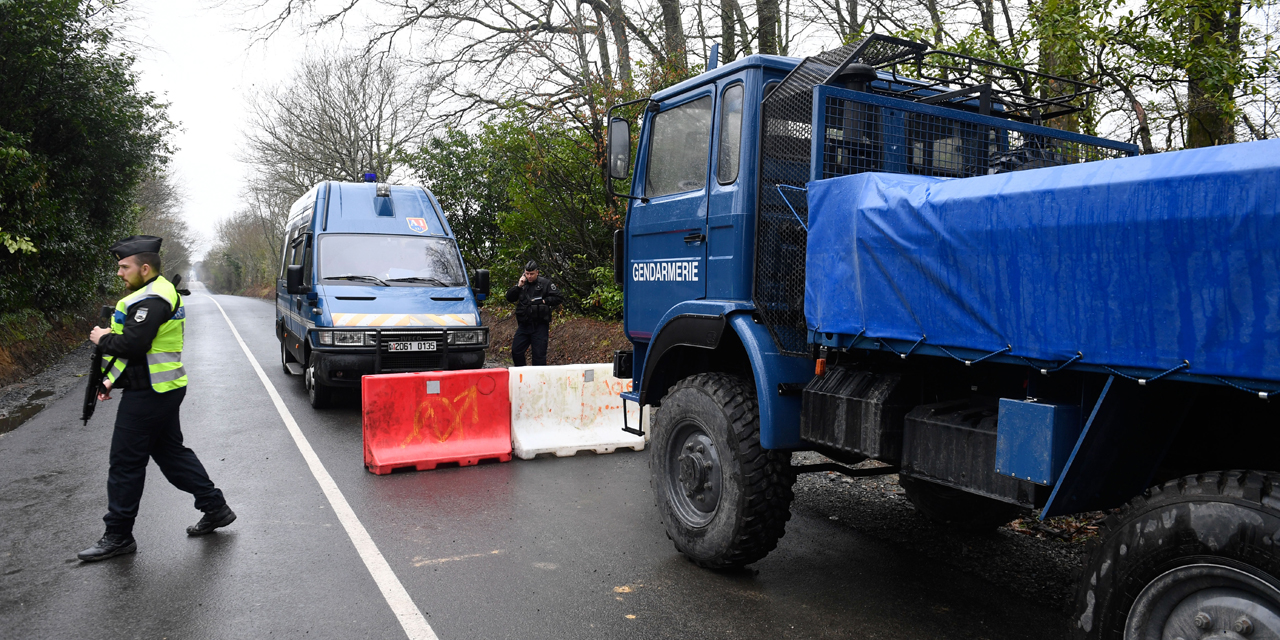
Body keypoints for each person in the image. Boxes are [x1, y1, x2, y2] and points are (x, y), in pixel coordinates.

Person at [77, 235, 235, 562]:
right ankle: (215, 508)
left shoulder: (153, 300)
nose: (119, 273)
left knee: (125, 463)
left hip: (150, 394)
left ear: (144, 268)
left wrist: (103, 339)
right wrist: (109, 380)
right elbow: (140, 352)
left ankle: (118, 535)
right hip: (159, 389)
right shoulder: (150, 294)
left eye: (124, 267)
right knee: (171, 455)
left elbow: (133, 345)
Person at [505, 260, 562, 367]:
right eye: (527, 274)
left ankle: (538, 382)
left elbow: (559, 297)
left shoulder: (545, 283)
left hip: (539, 325)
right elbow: (509, 298)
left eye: (532, 274)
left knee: (539, 357)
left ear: (537, 272)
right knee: (516, 351)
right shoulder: (522, 284)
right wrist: (518, 286)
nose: (529, 276)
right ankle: (522, 375)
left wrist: (544, 301)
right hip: (524, 325)